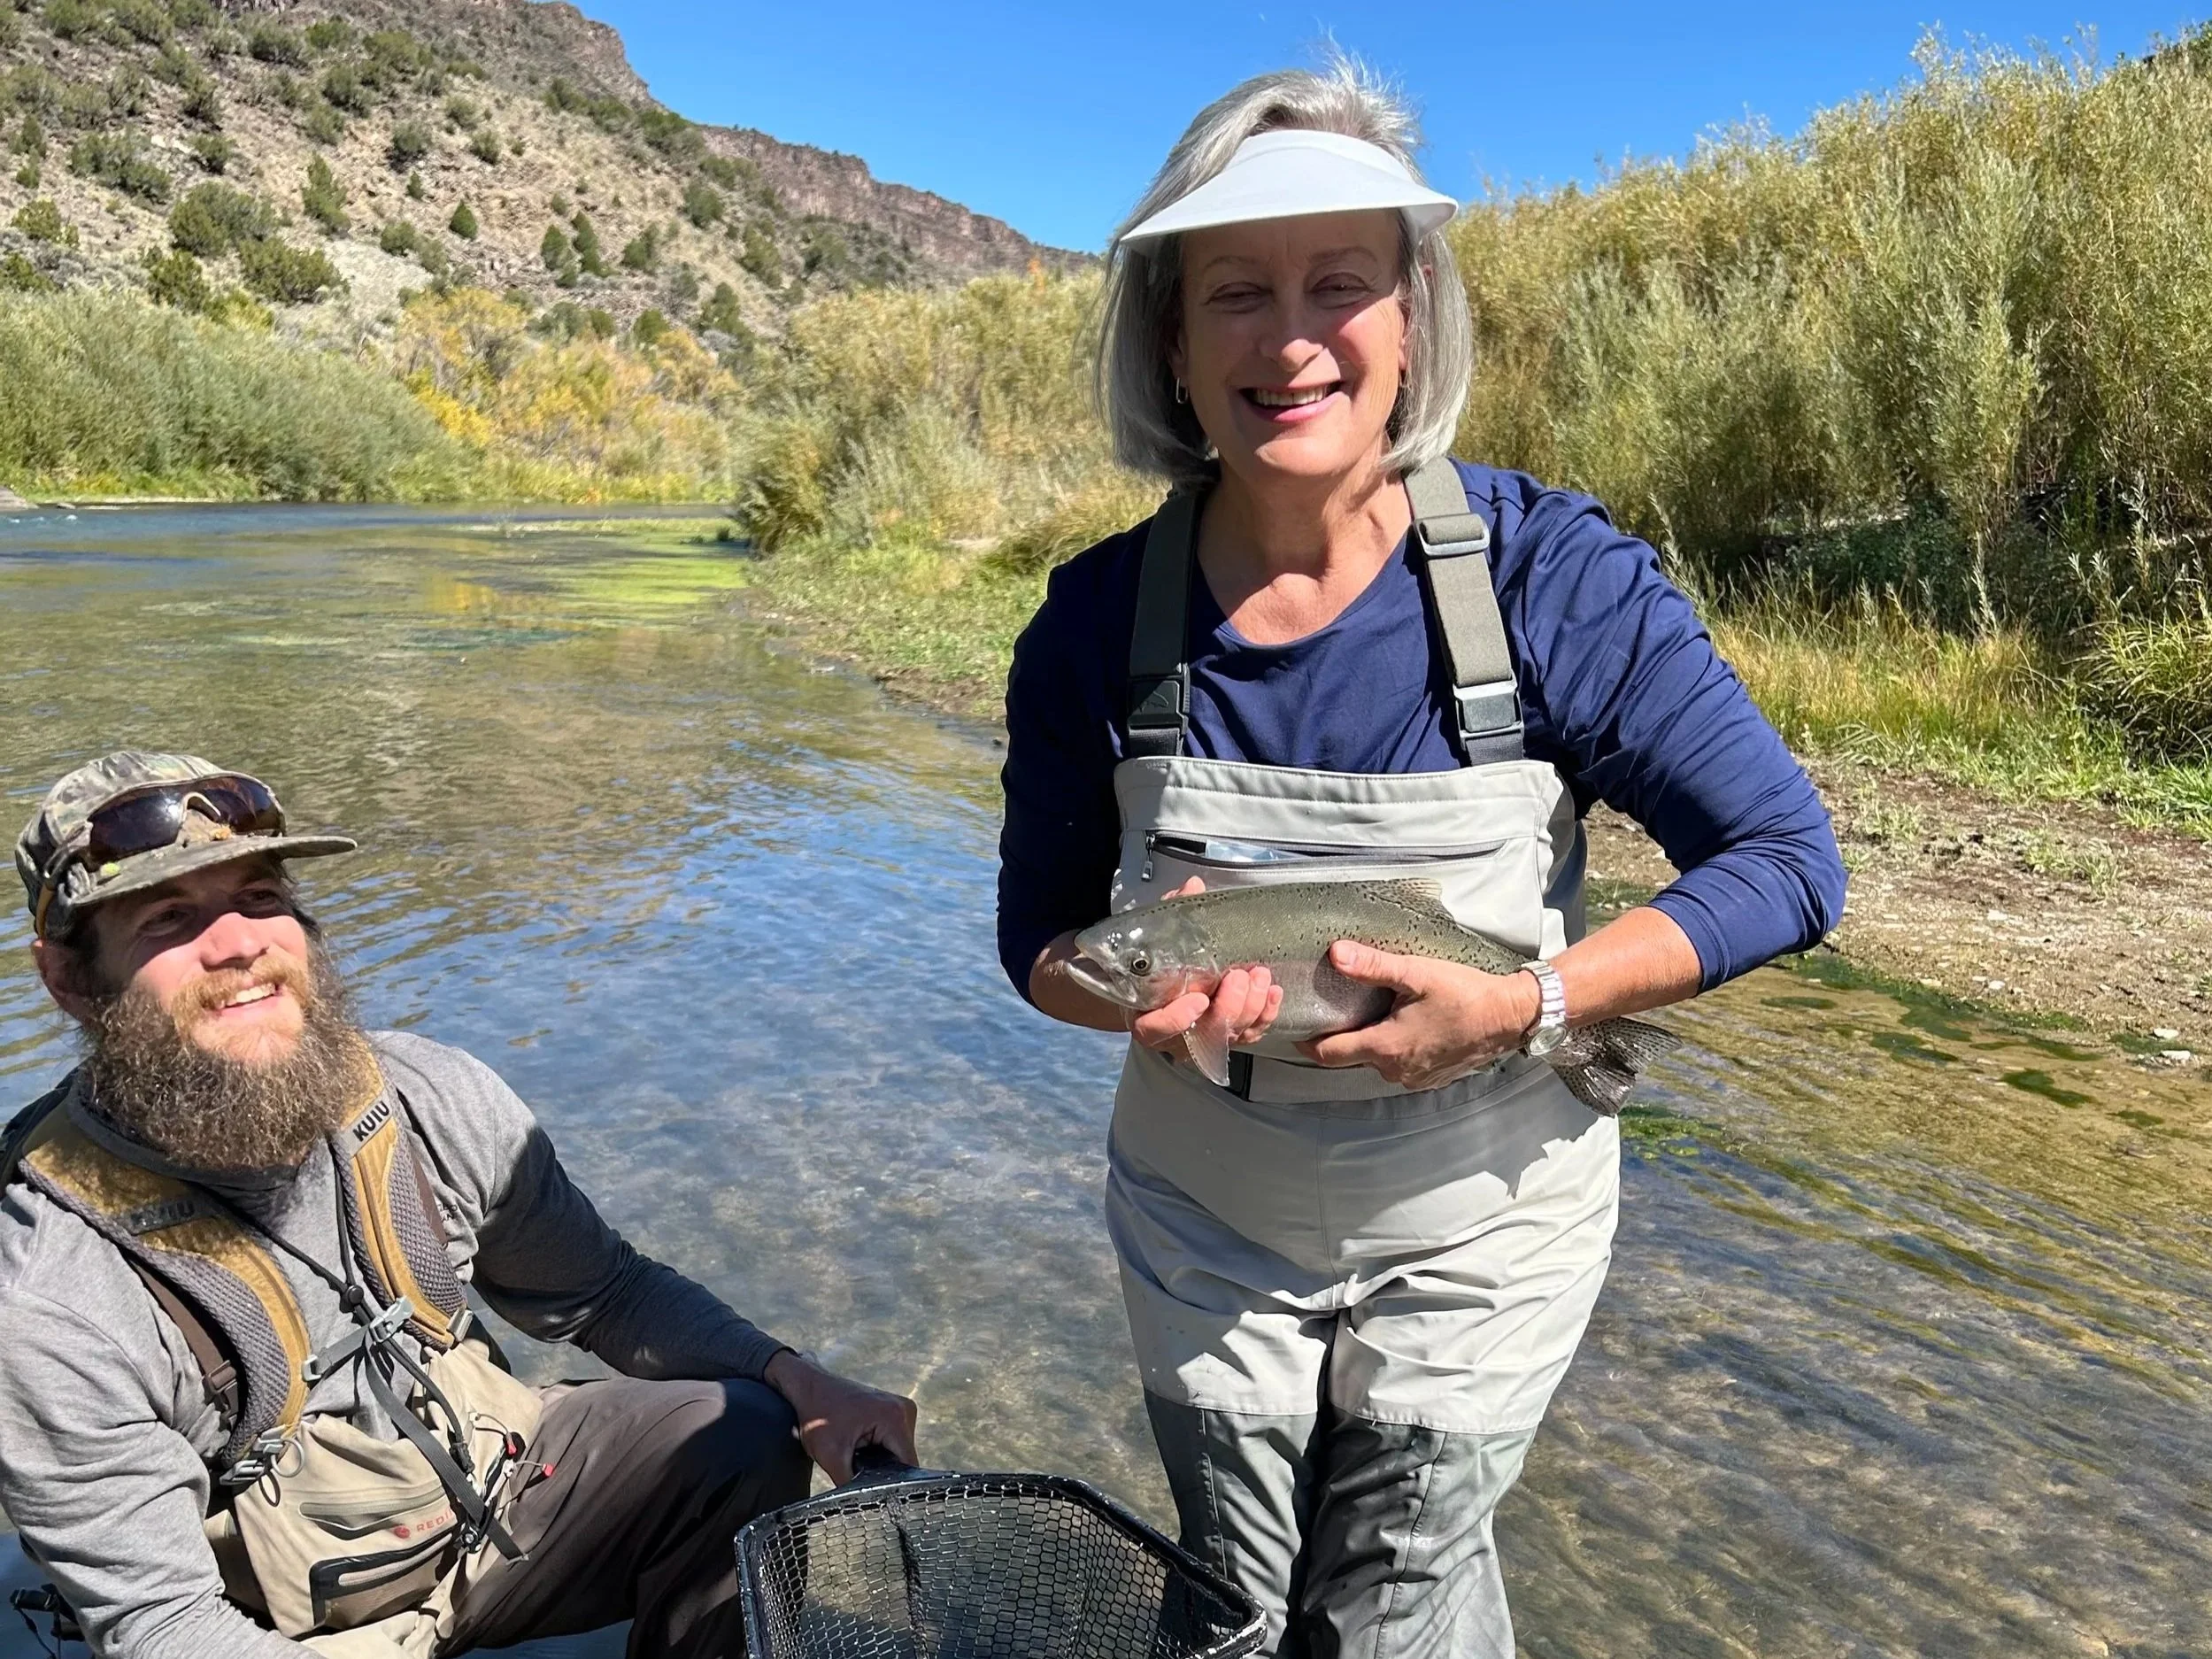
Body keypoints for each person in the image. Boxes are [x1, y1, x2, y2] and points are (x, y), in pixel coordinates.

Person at [997, 63, 1846, 1657]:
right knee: (1238, 1596)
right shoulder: (1091, 625)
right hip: (1203, 1210)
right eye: (1233, 291)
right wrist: (1122, 991)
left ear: (1414, 314)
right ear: (1170, 345)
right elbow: (1037, 946)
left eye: (1341, 281)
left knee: (1382, 1602)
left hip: (1485, 1207)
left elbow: (1786, 861)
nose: (1289, 335)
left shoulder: (1555, 582)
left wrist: (1527, 1001)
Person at [1, 750, 919, 1659]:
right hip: (287, 1625)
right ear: (72, 980)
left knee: (745, 1433)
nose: (240, 942)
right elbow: (164, 1624)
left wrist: (801, 1377)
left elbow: (607, 1292)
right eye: (169, 917)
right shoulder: (47, 1289)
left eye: (263, 896)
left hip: (496, 1496)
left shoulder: (425, 1094)